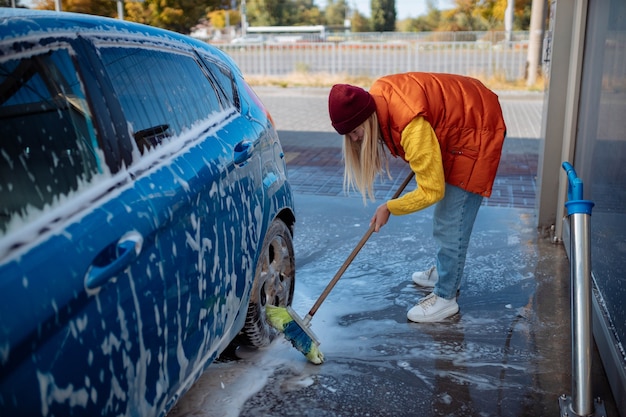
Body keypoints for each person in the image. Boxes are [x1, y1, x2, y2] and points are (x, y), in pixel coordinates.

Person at [327, 72, 506, 323]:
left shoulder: (411, 127)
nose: (355, 139)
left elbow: (432, 190)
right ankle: (447, 270)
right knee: (445, 219)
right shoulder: (379, 98)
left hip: (478, 127)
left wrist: (390, 207)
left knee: (451, 220)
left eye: (355, 132)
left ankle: (445, 297)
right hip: (462, 118)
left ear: (367, 119)